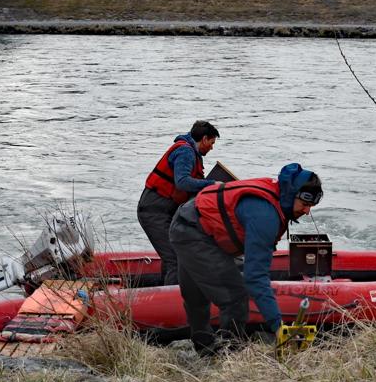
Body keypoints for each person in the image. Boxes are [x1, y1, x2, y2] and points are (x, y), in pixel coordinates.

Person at [169, 163, 323, 355]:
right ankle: (230, 354)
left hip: (189, 220)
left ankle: (204, 348)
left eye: (312, 206)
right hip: (193, 232)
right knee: (235, 297)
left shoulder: (276, 195)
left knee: (195, 295)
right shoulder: (265, 216)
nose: (307, 211)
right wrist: (278, 326)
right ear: (291, 194)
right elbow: (255, 277)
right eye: (305, 204)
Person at [137, 120, 220, 285]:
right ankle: (170, 301)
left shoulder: (191, 152)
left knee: (175, 255)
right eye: (211, 143)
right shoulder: (185, 152)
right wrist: (213, 184)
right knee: (175, 259)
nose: (212, 148)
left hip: (165, 211)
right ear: (204, 139)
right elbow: (182, 182)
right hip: (153, 211)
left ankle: (163, 292)